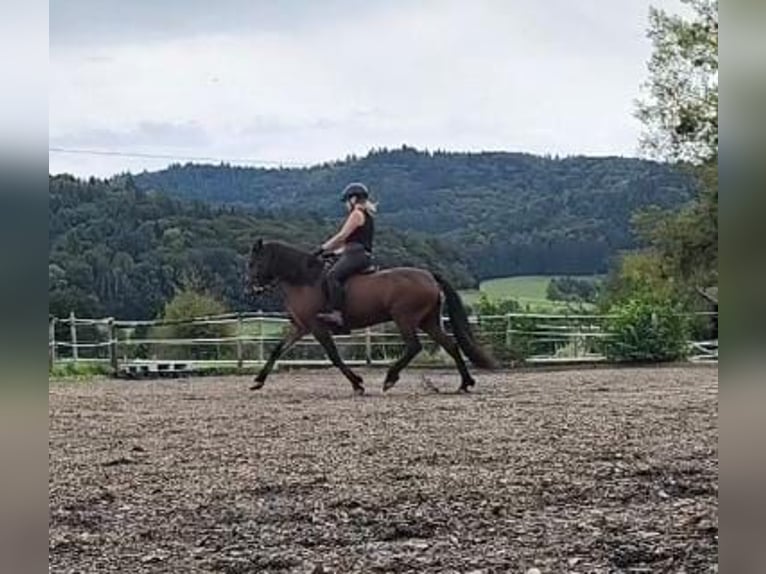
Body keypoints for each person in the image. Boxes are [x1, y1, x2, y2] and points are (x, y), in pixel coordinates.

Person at [314, 182, 376, 327]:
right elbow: (353, 241)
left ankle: (337, 313)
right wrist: (332, 253)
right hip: (357, 253)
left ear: (353, 199)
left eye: (347, 201)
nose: (346, 205)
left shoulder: (356, 214)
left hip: (356, 255)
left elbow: (342, 236)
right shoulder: (367, 215)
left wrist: (321, 249)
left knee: (332, 276)